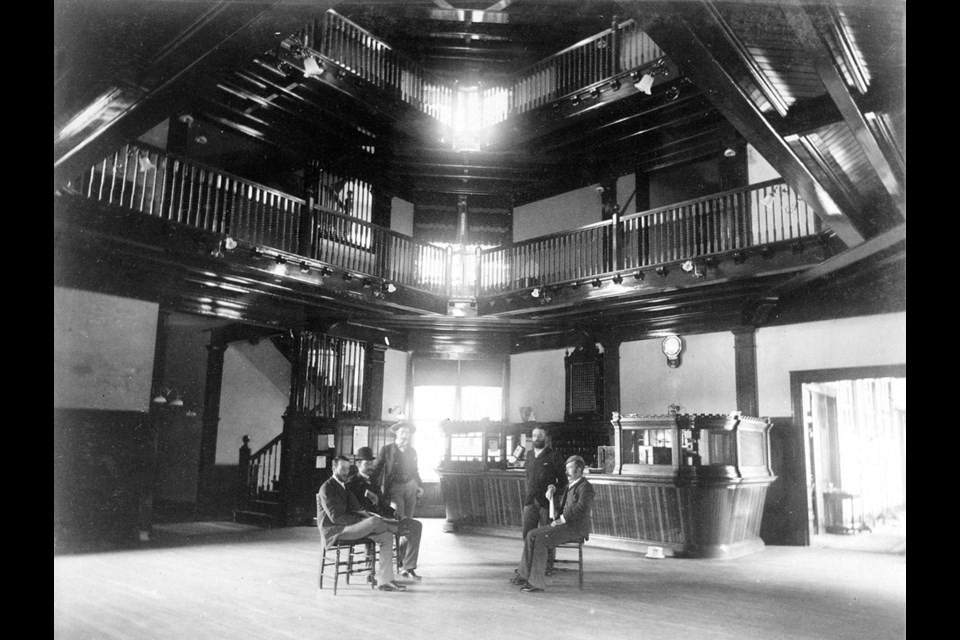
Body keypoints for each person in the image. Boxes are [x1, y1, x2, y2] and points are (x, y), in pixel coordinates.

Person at [317, 455, 407, 592]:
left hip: (350, 528)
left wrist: (366, 515)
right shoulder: (327, 488)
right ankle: (397, 528)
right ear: (334, 468)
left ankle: (385, 582)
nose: (346, 472)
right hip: (335, 532)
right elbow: (336, 518)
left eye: (348, 468)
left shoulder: (344, 487)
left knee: (386, 536)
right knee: (375, 522)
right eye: (342, 468)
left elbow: (358, 508)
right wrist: (363, 521)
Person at [511, 455, 595, 593]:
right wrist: (552, 489)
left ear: (579, 470)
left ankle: (536, 583)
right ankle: (524, 574)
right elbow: (560, 493)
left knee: (540, 539)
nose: (566, 472)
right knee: (531, 534)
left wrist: (561, 519)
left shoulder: (586, 487)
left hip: (575, 529)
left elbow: (581, 508)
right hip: (565, 526)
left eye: (570, 468)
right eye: (566, 468)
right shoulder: (572, 484)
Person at [349, 446, 424, 580]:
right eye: (367, 463)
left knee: (415, 526)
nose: (371, 466)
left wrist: (395, 513)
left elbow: (382, 504)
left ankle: (408, 567)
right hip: (367, 522)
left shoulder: (374, 481)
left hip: (384, 519)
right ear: (358, 464)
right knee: (380, 531)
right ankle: (369, 572)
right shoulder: (352, 483)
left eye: (372, 463)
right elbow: (354, 508)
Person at [521, 425, 567, 571]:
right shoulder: (529, 455)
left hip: (548, 503)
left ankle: (547, 566)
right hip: (530, 501)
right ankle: (529, 565)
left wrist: (554, 490)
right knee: (527, 533)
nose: (537, 438)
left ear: (546, 438)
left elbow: (564, 482)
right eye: (534, 435)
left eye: (540, 436)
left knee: (547, 534)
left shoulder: (554, 455)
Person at [373, 422, 424, 520]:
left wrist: (420, 485)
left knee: (409, 515)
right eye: (402, 432)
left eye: (407, 433)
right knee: (397, 514)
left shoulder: (412, 451)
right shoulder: (387, 450)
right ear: (396, 432)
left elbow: (415, 470)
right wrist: (371, 485)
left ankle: (407, 535)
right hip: (395, 486)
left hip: (411, 486)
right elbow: (377, 469)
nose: (405, 435)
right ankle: (397, 535)